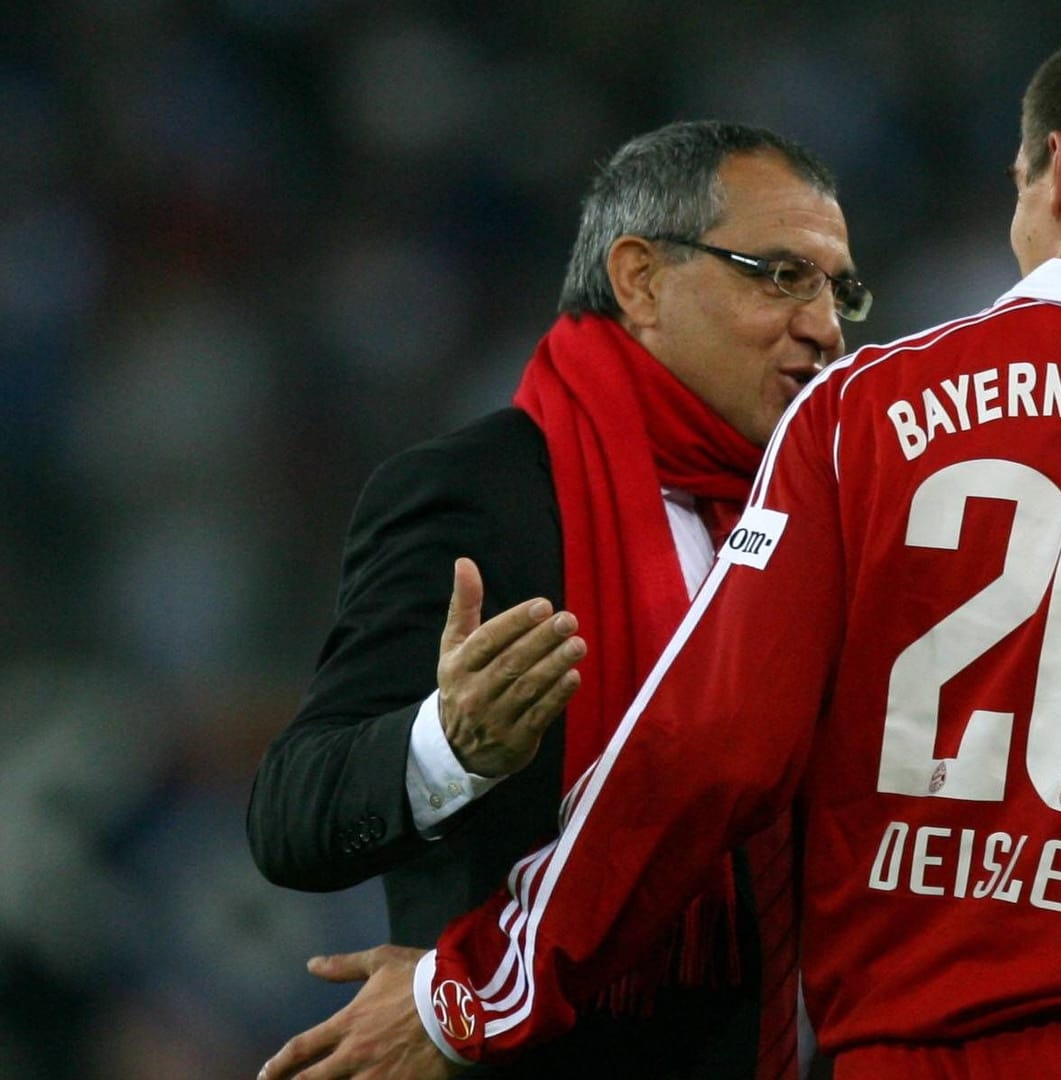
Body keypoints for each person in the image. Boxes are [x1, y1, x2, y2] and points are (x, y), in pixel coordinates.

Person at [262, 9, 1061, 1078]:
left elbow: (709, 748)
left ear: (1054, 169)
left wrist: (465, 992)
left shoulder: (864, 414)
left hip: (897, 1048)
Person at [247, 119, 872, 1078]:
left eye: (839, 289)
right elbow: (293, 814)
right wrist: (447, 747)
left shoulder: (826, 515)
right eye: (780, 274)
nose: (826, 327)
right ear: (640, 278)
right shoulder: (480, 494)